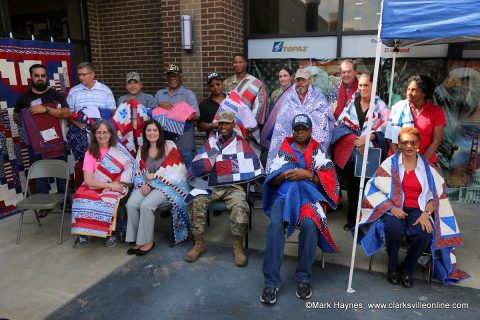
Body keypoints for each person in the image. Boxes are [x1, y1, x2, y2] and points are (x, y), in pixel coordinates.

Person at [359, 127, 469, 287]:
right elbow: (373, 187)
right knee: (393, 230)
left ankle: (407, 269)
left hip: (419, 210)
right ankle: (392, 268)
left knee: (424, 234)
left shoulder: (428, 169)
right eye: (404, 143)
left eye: (413, 142)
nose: (409, 146)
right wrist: (390, 208)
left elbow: (437, 196)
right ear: (400, 145)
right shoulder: (389, 164)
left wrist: (426, 214)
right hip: (394, 208)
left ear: (418, 144)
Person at [260, 114, 339, 304]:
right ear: (292, 131)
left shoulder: (317, 151)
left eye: (304, 129)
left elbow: (330, 180)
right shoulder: (284, 150)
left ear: (311, 131)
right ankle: (271, 282)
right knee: (275, 228)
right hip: (284, 197)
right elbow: (272, 180)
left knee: (310, 227)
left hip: (308, 199)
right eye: (297, 129)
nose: (300, 132)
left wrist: (308, 175)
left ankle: (304, 278)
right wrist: (284, 174)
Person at [184, 111, 264, 266]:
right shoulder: (212, 141)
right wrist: (213, 159)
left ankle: (237, 246)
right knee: (196, 202)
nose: (223, 126)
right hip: (211, 184)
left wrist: (223, 165)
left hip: (232, 186)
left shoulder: (240, 143)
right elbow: (202, 160)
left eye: (227, 123)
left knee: (241, 207)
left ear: (233, 124)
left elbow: (251, 162)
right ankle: (199, 244)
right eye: (221, 123)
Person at [331, 73, 389, 231]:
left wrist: (369, 137)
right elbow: (340, 124)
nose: (362, 88)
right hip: (352, 151)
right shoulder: (352, 102)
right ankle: (352, 221)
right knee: (353, 188)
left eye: (366, 85)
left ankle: (368, 219)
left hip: (371, 153)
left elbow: (387, 127)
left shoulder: (380, 105)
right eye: (361, 85)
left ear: (373, 86)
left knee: (369, 187)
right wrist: (356, 140)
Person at [13, 63, 70, 218]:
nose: (40, 78)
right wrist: (30, 127)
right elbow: (16, 116)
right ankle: (44, 205)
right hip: (36, 145)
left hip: (56, 142)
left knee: (61, 174)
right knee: (40, 176)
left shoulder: (55, 95)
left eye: (43, 75)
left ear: (46, 77)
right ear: (31, 77)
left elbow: (66, 113)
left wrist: (46, 109)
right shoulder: (24, 98)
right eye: (36, 75)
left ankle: (66, 202)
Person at [125, 120, 190, 256]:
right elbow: (138, 170)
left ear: (159, 132)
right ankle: (137, 240)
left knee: (146, 205)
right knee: (130, 204)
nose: (152, 133)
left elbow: (178, 170)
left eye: (155, 130)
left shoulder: (169, 146)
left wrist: (156, 175)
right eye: (149, 130)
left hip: (167, 186)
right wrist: (142, 183)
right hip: (147, 184)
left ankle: (147, 241)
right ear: (145, 133)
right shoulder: (142, 149)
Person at [71, 120, 135, 247]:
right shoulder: (90, 153)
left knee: (112, 200)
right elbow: (88, 181)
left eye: (105, 132)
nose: (102, 135)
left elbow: (129, 168)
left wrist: (114, 185)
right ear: (94, 135)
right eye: (98, 132)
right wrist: (109, 185)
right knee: (80, 196)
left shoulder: (118, 150)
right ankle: (83, 231)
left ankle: (113, 233)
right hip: (95, 184)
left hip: (115, 184)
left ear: (110, 134)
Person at [265, 68, 334, 171]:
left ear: (310, 80)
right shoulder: (288, 98)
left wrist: (304, 120)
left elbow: (326, 120)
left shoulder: (318, 97)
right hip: (292, 142)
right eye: (298, 80)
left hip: (313, 141)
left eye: (303, 80)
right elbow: (282, 122)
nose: (300, 83)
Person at [67, 62, 117, 187]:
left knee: (102, 160)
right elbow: (68, 113)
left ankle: (103, 186)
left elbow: (112, 111)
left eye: (84, 74)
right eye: (79, 75)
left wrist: (96, 115)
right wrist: (79, 124)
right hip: (81, 133)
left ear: (93, 74)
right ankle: (85, 189)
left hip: (101, 133)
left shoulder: (105, 90)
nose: (81, 77)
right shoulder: (74, 92)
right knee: (84, 162)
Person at [385, 75, 446, 164]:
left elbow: (436, 141)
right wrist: (401, 160)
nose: (409, 93)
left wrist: (420, 163)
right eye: (408, 89)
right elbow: (391, 137)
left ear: (424, 93)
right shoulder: (398, 108)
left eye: (414, 90)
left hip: (425, 161)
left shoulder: (436, 112)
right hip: (397, 160)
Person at [154, 64, 199, 167]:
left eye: (175, 75)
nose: (172, 78)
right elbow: (152, 113)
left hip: (184, 144)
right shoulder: (159, 94)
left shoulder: (188, 94)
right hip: (164, 144)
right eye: (170, 76)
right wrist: (159, 105)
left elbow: (197, 116)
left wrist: (177, 112)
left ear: (181, 77)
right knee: (167, 177)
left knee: (189, 175)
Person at [224, 54, 267, 125]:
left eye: (240, 62)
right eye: (235, 62)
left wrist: (249, 125)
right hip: (230, 125)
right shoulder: (226, 83)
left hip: (248, 124)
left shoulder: (256, 83)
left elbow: (259, 106)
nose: (237, 64)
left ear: (245, 64)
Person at [198, 72, 226, 138]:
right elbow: (200, 127)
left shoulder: (231, 100)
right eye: (211, 86)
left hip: (233, 141)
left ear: (223, 84)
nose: (215, 87)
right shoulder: (204, 104)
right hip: (213, 142)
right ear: (208, 87)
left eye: (218, 84)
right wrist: (213, 125)